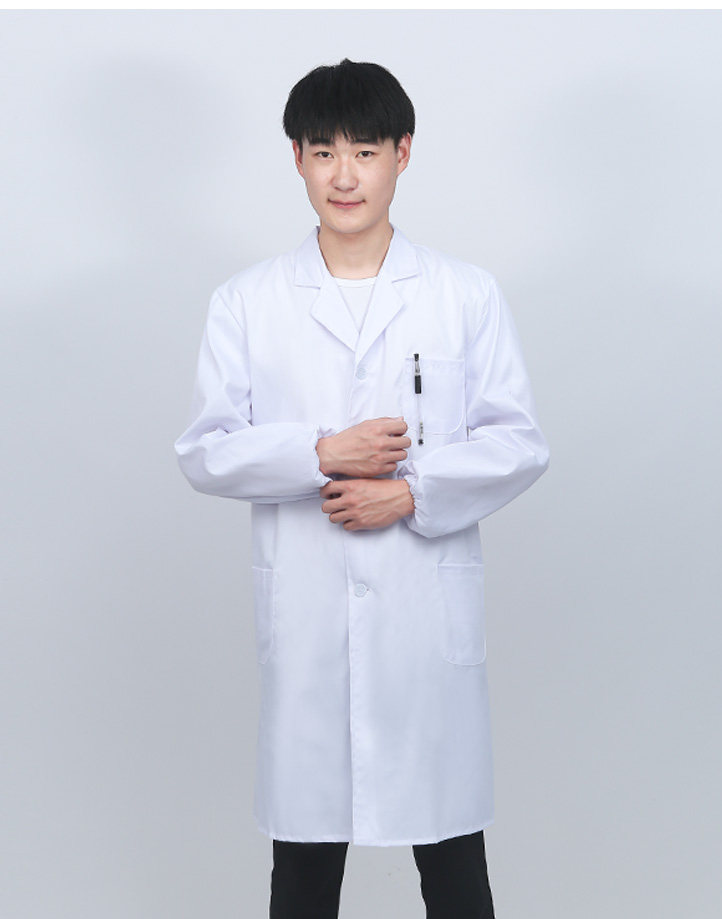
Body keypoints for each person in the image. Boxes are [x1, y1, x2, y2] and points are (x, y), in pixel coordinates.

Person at [174, 58, 549, 919]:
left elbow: (519, 441)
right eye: (324, 152)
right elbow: (205, 450)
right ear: (297, 159)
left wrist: (411, 493)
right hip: (309, 622)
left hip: (422, 626)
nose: (345, 175)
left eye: (366, 151)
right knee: (304, 877)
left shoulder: (463, 294)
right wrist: (321, 451)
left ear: (402, 154)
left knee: (455, 871)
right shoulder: (248, 302)